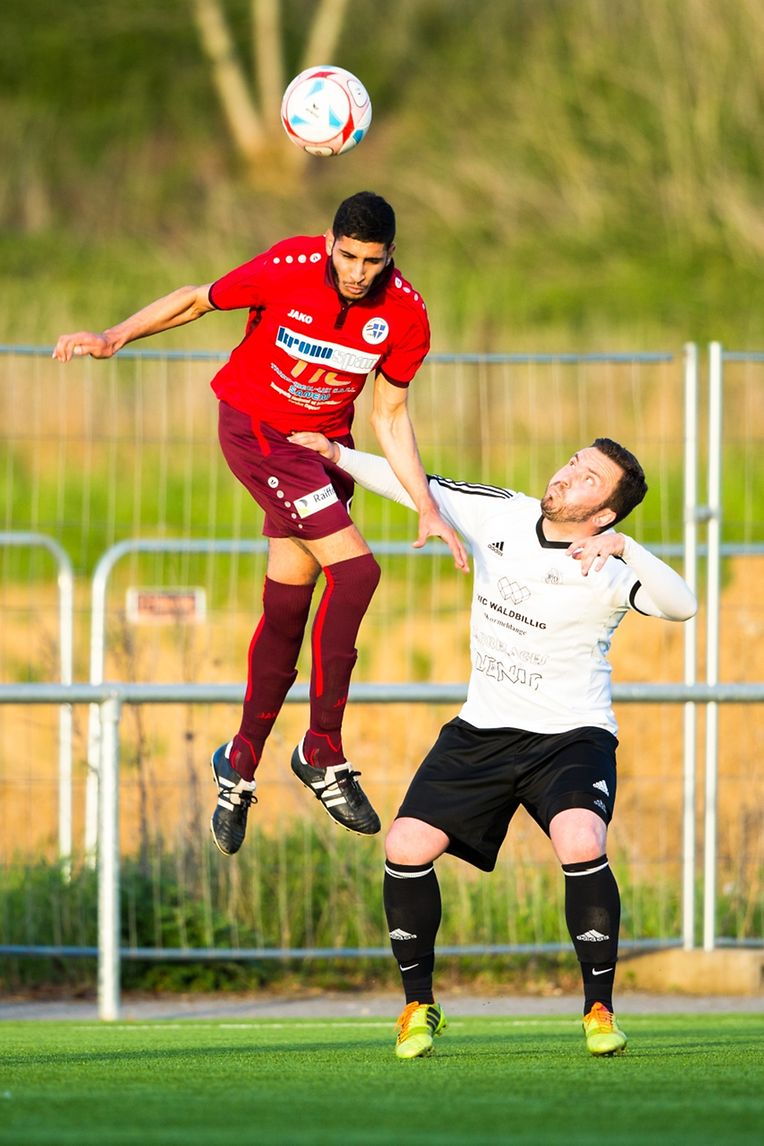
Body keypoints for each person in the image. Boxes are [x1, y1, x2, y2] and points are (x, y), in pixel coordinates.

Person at [52, 191, 468, 857]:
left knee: (287, 608)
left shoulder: (405, 314)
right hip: (257, 429)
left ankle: (239, 762)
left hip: (322, 448)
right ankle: (322, 751)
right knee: (358, 573)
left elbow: (389, 415)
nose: (359, 272)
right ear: (331, 242)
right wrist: (113, 337)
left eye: (374, 260)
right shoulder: (288, 265)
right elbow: (195, 298)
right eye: (349, 256)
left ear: (392, 255)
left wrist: (426, 505)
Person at [290, 429, 697, 1058]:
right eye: (572, 462)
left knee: (581, 838)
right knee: (404, 844)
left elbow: (683, 605)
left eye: (587, 477)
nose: (565, 475)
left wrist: (629, 549)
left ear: (606, 512)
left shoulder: (608, 569)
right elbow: (413, 483)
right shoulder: (499, 514)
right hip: (482, 731)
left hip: (571, 737)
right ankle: (419, 1007)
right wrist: (336, 456)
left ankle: (598, 1009)